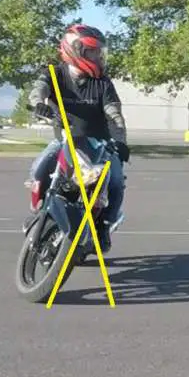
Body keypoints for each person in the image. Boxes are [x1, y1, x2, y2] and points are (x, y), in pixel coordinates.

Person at [26, 23, 130, 252]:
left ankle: (103, 227)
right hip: (65, 140)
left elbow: (114, 114)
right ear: (76, 49)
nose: (98, 56)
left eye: (99, 52)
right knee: (38, 169)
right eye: (92, 51)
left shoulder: (103, 83)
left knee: (115, 183)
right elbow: (38, 91)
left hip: (99, 144)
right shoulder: (54, 73)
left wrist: (121, 142)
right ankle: (39, 212)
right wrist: (38, 105)